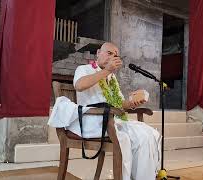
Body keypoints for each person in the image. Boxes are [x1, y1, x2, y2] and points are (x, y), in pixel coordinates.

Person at [49, 42, 161, 180]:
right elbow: (79, 85)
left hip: (111, 120)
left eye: (116, 55)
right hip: (92, 121)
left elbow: (119, 105)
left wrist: (132, 102)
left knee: (148, 133)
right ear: (98, 53)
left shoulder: (112, 78)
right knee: (128, 137)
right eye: (109, 53)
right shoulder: (84, 69)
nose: (113, 57)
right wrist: (107, 70)